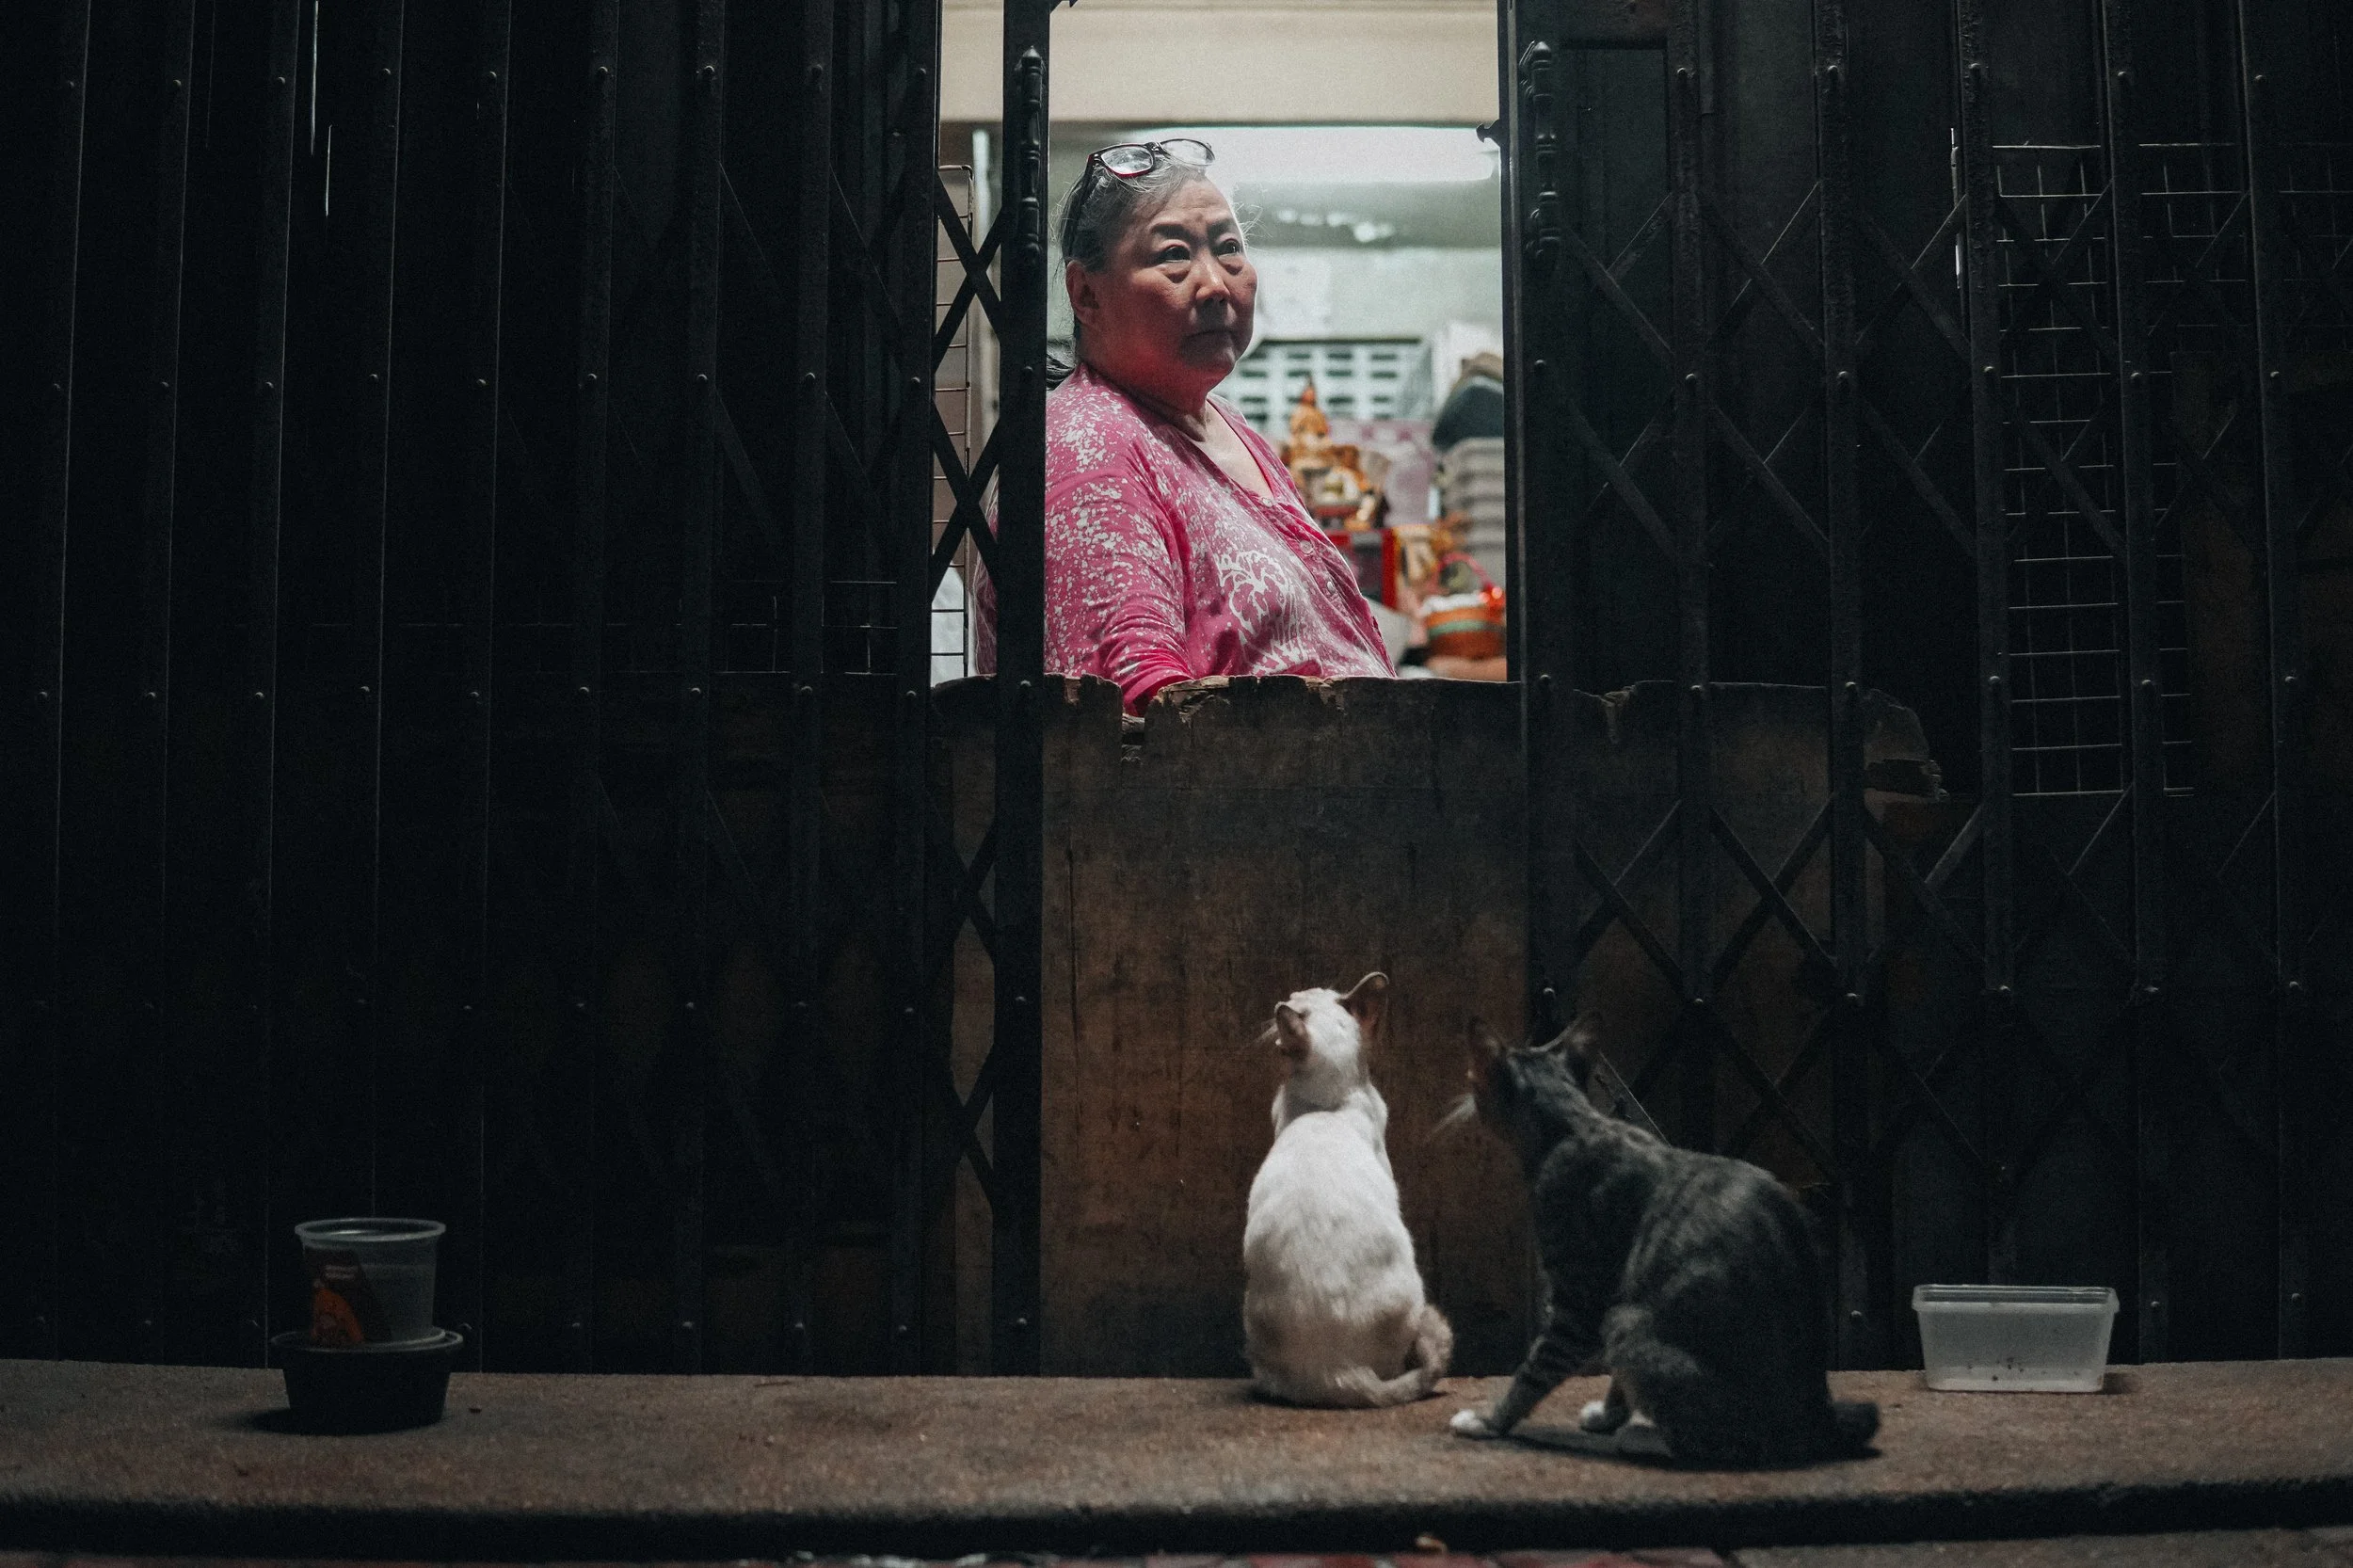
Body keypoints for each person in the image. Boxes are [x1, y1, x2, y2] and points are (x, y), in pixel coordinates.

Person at [979, 139, 1393, 713]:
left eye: (1229, 249)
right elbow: (1131, 708)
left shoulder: (1228, 426)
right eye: (1174, 255)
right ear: (1086, 294)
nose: (1216, 284)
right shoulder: (1086, 447)